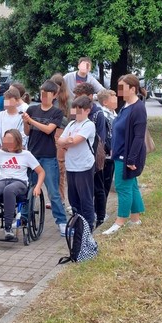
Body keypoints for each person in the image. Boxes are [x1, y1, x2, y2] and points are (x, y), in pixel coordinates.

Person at [102, 74, 147, 235]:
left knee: (123, 186)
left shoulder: (138, 108)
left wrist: (131, 158)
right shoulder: (126, 105)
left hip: (127, 156)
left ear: (132, 89)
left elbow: (139, 136)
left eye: (122, 87)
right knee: (132, 185)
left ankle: (120, 221)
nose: (119, 90)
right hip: (119, 153)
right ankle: (135, 219)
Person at [22, 80, 68, 235]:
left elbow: (49, 130)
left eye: (47, 95)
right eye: (42, 94)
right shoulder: (32, 109)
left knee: (53, 192)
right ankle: (24, 217)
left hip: (48, 157)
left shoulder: (56, 113)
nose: (43, 97)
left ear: (54, 96)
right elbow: (27, 132)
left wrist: (31, 121)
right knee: (29, 189)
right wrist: (26, 123)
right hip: (32, 156)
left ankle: (62, 222)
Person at [0, 129, 44, 239]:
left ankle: (8, 227)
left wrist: (38, 186)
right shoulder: (0, 153)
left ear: (17, 141)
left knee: (9, 190)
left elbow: (41, 172)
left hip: (19, 182)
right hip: (3, 181)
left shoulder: (26, 154)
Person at [57, 96, 96, 231]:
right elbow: (60, 141)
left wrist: (67, 141)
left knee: (85, 198)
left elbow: (75, 141)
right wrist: (68, 141)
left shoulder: (88, 125)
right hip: (71, 165)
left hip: (84, 166)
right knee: (73, 199)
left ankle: (88, 226)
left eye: (79, 110)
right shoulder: (71, 124)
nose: (76, 113)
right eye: (75, 109)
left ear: (87, 111)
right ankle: (77, 223)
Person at [73, 82, 107, 228]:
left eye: (80, 97)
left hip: (92, 156)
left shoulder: (98, 114)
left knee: (97, 187)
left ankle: (100, 216)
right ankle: (83, 216)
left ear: (90, 97)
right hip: (78, 158)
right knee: (83, 190)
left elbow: (100, 138)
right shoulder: (76, 111)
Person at [50, 73, 71, 210]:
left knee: (60, 167)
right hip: (51, 133)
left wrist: (56, 118)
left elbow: (70, 120)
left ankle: (61, 199)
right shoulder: (52, 99)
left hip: (61, 132)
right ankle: (57, 197)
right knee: (55, 167)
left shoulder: (67, 101)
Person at [97, 89, 118, 200]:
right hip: (106, 155)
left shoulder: (114, 114)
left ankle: (102, 209)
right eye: (113, 97)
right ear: (105, 102)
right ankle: (100, 211)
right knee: (103, 184)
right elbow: (105, 135)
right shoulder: (103, 115)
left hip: (113, 154)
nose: (116, 99)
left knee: (107, 182)